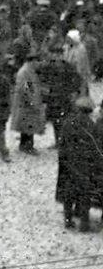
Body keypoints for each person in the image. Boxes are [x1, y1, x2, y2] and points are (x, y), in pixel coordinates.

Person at [56, 95, 101, 231]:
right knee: (84, 194)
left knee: (68, 194)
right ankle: (84, 224)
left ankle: (68, 221)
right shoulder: (91, 125)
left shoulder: (67, 122)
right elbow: (95, 147)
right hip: (84, 165)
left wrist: (62, 159)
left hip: (68, 163)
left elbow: (62, 143)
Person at [11, 49, 46, 155]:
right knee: (28, 125)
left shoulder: (29, 71)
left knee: (27, 125)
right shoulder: (24, 72)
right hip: (26, 103)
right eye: (37, 61)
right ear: (32, 61)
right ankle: (28, 146)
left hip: (28, 102)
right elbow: (24, 88)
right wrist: (31, 101)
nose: (39, 64)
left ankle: (24, 145)